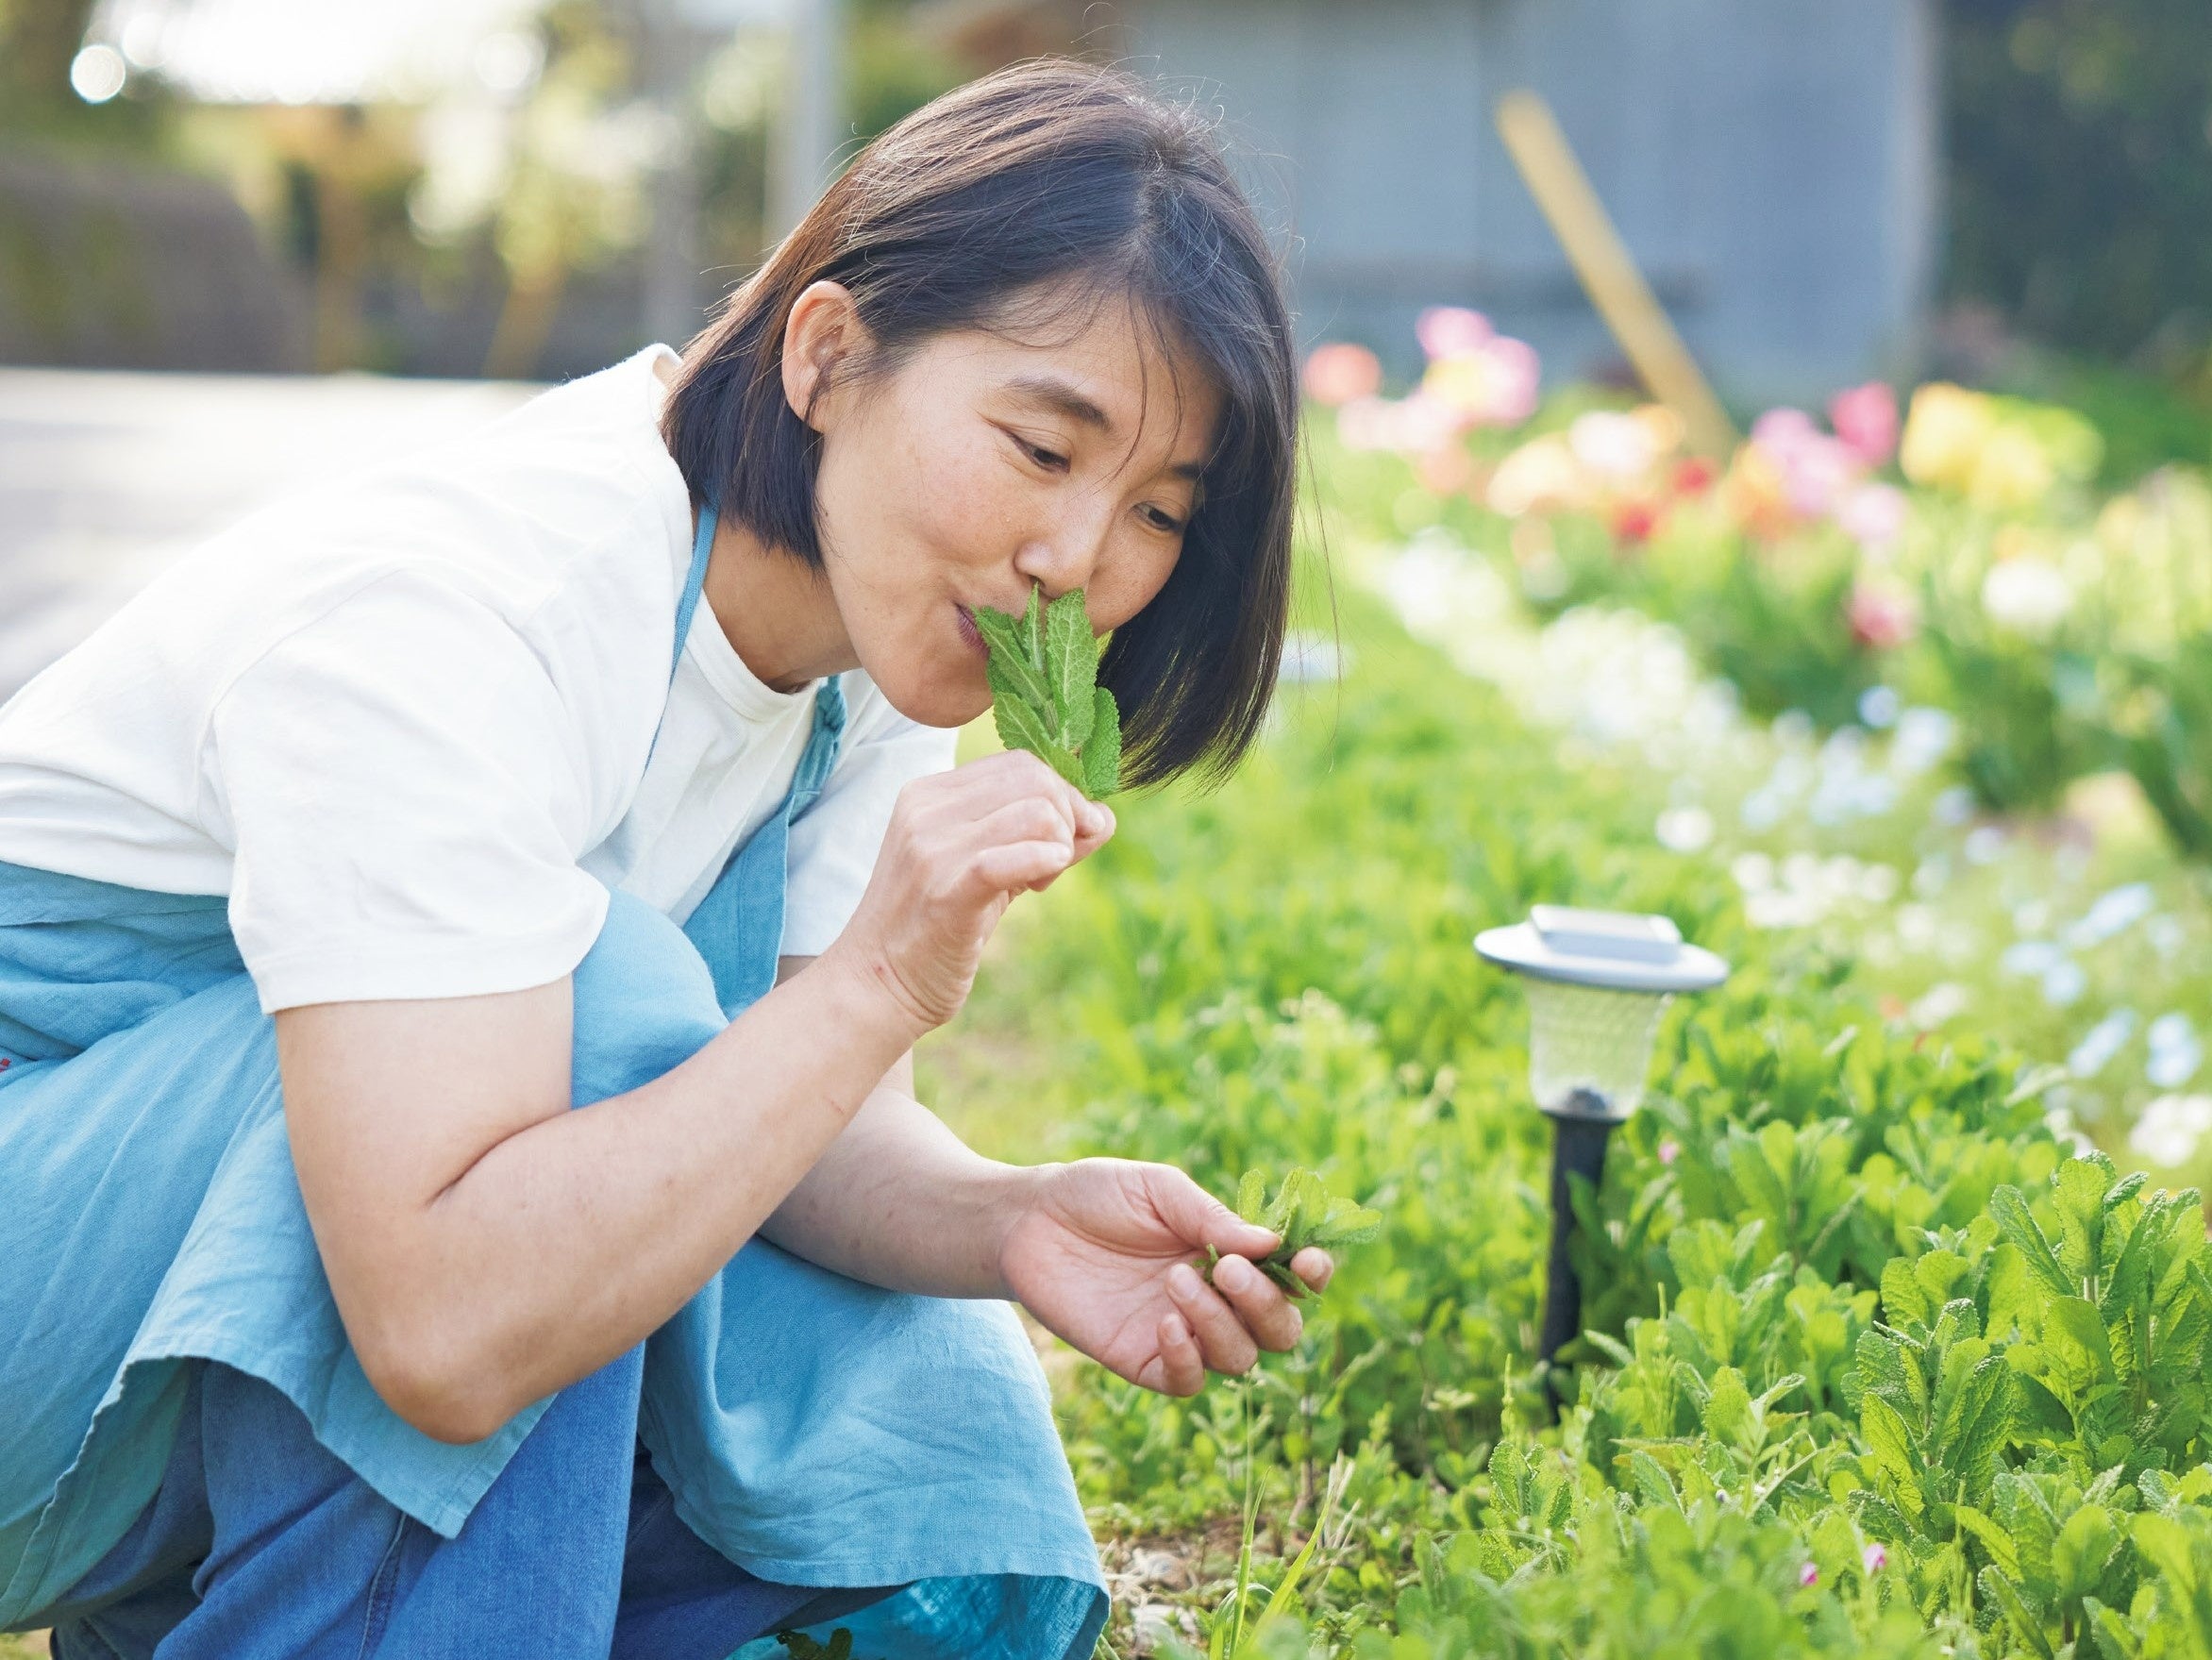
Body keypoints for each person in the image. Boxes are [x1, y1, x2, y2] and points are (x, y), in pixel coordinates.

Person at [0, 59, 1318, 1660]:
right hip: (56, 1278)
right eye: (1045, 451)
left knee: (898, 1359)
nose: (1079, 563)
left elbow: (795, 1132)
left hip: (201, 1296)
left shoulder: (882, 640)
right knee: (607, 1001)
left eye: (1160, 512)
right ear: (830, 354)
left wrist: (1011, 1223)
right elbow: (440, 1325)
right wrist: (881, 981)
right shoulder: (473, 612)